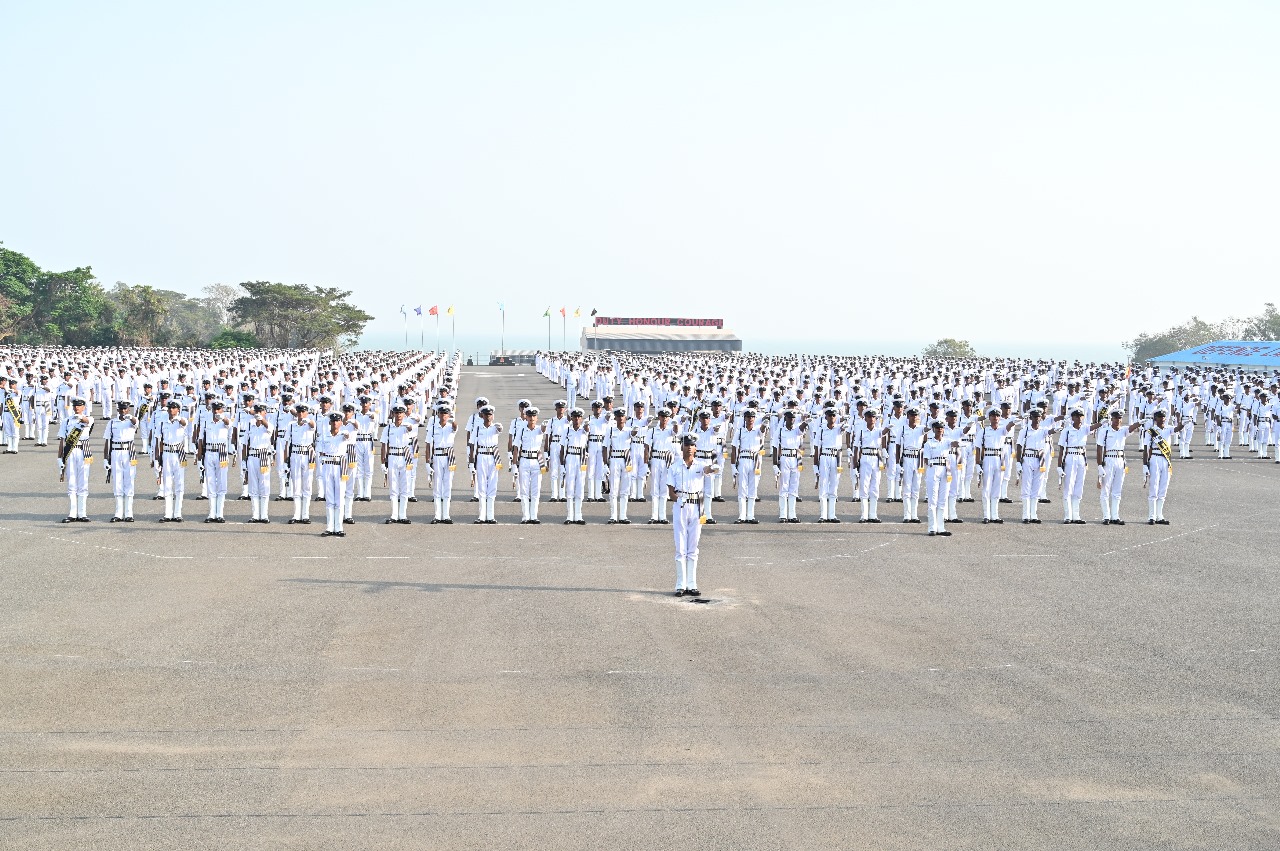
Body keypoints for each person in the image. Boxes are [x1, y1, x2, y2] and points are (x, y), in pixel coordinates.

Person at [667, 434, 719, 597]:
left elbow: (707, 470)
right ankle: (680, 585)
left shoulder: (700, 465)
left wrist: (714, 467)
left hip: (697, 506)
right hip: (681, 506)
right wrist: (678, 499)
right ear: (681, 447)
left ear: (696, 448)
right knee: (680, 547)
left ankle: (692, 584)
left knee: (693, 547)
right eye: (686, 445)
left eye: (692, 445)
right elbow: (670, 492)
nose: (689, 448)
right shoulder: (674, 467)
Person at [316, 412, 356, 537]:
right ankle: (329, 527)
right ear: (330, 422)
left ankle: (339, 527)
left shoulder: (344, 434)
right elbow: (320, 452)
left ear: (341, 422)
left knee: (339, 498)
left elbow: (349, 436)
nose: (335, 423)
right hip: (327, 466)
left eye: (337, 421)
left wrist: (346, 433)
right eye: (333, 421)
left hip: (339, 466)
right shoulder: (324, 435)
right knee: (329, 498)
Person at [102, 400, 139, 522]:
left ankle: (129, 513)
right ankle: (118, 513)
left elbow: (136, 423)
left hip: (129, 452)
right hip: (116, 452)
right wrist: (105, 459)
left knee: (129, 481)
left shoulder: (131, 421)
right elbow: (107, 441)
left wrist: (130, 417)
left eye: (125, 409)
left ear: (128, 410)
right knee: (117, 482)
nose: (123, 411)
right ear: (118, 410)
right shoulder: (112, 422)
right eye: (121, 409)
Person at [154, 400, 189, 522]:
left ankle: (177, 513)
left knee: (179, 484)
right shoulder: (162, 422)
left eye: (174, 408)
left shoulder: (181, 421)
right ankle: (168, 514)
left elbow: (184, 423)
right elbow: (158, 441)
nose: (171, 410)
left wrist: (178, 419)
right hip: (166, 453)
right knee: (167, 484)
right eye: (170, 408)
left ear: (178, 409)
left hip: (179, 454)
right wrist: (157, 458)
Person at [198, 401, 233, 523]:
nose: (216, 411)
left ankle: (220, 514)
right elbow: (201, 439)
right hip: (209, 452)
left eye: (219, 409)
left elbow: (229, 424)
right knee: (211, 483)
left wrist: (222, 418)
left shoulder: (225, 420)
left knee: (222, 483)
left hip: (221, 452)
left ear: (222, 409)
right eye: (215, 409)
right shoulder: (206, 420)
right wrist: (199, 456)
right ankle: (212, 513)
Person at [382, 404, 416, 524]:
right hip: (392, 456)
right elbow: (384, 445)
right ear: (393, 414)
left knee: (405, 487)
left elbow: (411, 429)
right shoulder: (388, 428)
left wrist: (408, 426)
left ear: (404, 414)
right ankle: (394, 515)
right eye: (396, 413)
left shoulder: (407, 426)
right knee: (393, 488)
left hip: (405, 457)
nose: (398, 415)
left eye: (401, 413)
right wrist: (383, 462)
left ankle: (403, 515)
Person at [424, 404, 458, 523]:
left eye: (446, 413)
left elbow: (455, 427)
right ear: (438, 414)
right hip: (437, 456)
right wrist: (427, 463)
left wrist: (453, 419)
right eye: (442, 413)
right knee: (437, 486)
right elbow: (428, 445)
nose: (443, 415)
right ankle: (437, 515)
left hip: (449, 457)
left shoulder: (451, 427)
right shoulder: (433, 428)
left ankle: (446, 515)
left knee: (448, 485)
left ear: (448, 415)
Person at [468, 404, 502, 523]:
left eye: (490, 415)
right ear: (482, 415)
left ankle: (490, 516)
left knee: (492, 486)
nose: (488, 417)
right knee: (481, 486)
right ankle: (481, 516)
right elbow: (472, 445)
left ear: (493, 416)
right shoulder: (477, 428)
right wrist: (471, 462)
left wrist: (499, 427)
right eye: (486, 414)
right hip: (481, 456)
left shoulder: (496, 427)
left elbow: (500, 429)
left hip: (493, 457)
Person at [729, 408, 764, 523]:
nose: (750, 419)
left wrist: (765, 424)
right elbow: (734, 448)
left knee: (753, 489)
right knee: (742, 489)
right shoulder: (739, 431)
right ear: (745, 418)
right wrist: (733, 466)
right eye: (748, 417)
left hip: (755, 461)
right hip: (743, 460)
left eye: (752, 417)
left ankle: (750, 516)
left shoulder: (758, 430)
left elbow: (763, 430)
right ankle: (742, 516)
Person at [242, 404, 276, 523]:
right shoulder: (250, 425)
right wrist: (244, 462)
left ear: (265, 413)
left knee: (264, 486)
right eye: (257, 411)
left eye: (261, 411)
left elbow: (270, 428)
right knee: (253, 487)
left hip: (263, 456)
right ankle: (255, 515)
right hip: (252, 456)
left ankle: (264, 515)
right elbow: (245, 445)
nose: (258, 413)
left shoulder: (268, 425)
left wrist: (262, 420)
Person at [284, 404, 317, 525]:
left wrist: (308, 420)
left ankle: (305, 515)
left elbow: (313, 425)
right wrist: (285, 461)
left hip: (307, 455)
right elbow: (286, 443)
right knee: (296, 486)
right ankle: (296, 515)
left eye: (303, 412)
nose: (301, 414)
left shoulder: (309, 424)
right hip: (295, 455)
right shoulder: (291, 425)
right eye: (299, 412)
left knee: (307, 486)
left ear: (307, 413)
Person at [922, 419, 956, 536]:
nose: (939, 430)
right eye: (937, 428)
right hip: (934, 469)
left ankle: (941, 527)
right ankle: (932, 527)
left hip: (945, 470)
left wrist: (959, 442)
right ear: (933, 429)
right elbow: (926, 459)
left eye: (941, 428)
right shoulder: (928, 443)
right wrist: (931, 462)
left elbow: (955, 443)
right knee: (933, 500)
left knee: (943, 499)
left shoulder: (947, 441)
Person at [515, 406, 548, 523]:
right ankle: (525, 516)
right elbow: (516, 447)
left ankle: (534, 516)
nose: (532, 418)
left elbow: (543, 430)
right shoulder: (522, 429)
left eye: (534, 416)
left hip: (536, 461)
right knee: (524, 490)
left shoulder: (539, 429)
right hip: (524, 459)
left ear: (537, 418)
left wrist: (544, 425)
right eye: (529, 416)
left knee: (535, 490)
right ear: (526, 417)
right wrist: (514, 464)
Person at [772, 408, 805, 522]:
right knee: (784, 486)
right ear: (785, 418)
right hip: (784, 458)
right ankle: (783, 515)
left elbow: (801, 429)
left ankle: (792, 515)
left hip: (796, 458)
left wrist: (805, 422)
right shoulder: (780, 431)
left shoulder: (797, 430)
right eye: (790, 418)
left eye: (793, 418)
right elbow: (775, 447)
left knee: (794, 487)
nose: (792, 420)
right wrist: (775, 464)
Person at [813, 405, 845, 523]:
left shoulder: (839, 429)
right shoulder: (821, 430)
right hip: (824, 457)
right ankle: (823, 515)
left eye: (834, 415)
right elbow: (817, 449)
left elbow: (845, 427)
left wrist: (844, 418)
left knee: (834, 486)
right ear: (825, 417)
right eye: (829, 415)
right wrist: (815, 466)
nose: (832, 417)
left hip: (835, 458)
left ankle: (832, 515)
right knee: (823, 485)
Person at [1143, 409, 1175, 525]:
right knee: (1154, 488)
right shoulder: (1151, 431)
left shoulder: (1168, 429)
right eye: (1160, 417)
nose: (1162, 419)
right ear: (1155, 418)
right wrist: (1145, 465)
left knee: (1163, 488)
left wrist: (1183, 423)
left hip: (1165, 459)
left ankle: (1159, 516)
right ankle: (1151, 516)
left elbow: (1177, 429)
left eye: (1163, 417)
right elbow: (1146, 448)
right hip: (1155, 458)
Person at [605, 408, 635, 524]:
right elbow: (605, 447)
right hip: (614, 459)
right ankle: (613, 516)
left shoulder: (629, 430)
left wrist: (635, 432)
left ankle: (623, 516)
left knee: (625, 489)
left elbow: (634, 435)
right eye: (618, 416)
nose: (620, 418)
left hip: (626, 460)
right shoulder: (610, 430)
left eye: (622, 416)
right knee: (613, 488)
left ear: (625, 418)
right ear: (615, 418)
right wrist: (605, 464)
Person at [560, 406, 589, 524]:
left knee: (580, 487)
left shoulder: (585, 430)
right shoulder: (567, 430)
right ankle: (569, 516)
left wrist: (587, 426)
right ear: (571, 418)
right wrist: (562, 465)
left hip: (581, 459)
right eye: (575, 417)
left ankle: (578, 516)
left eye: (579, 417)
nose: (577, 419)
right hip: (570, 457)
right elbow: (562, 449)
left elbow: (588, 430)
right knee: (570, 487)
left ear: (581, 419)